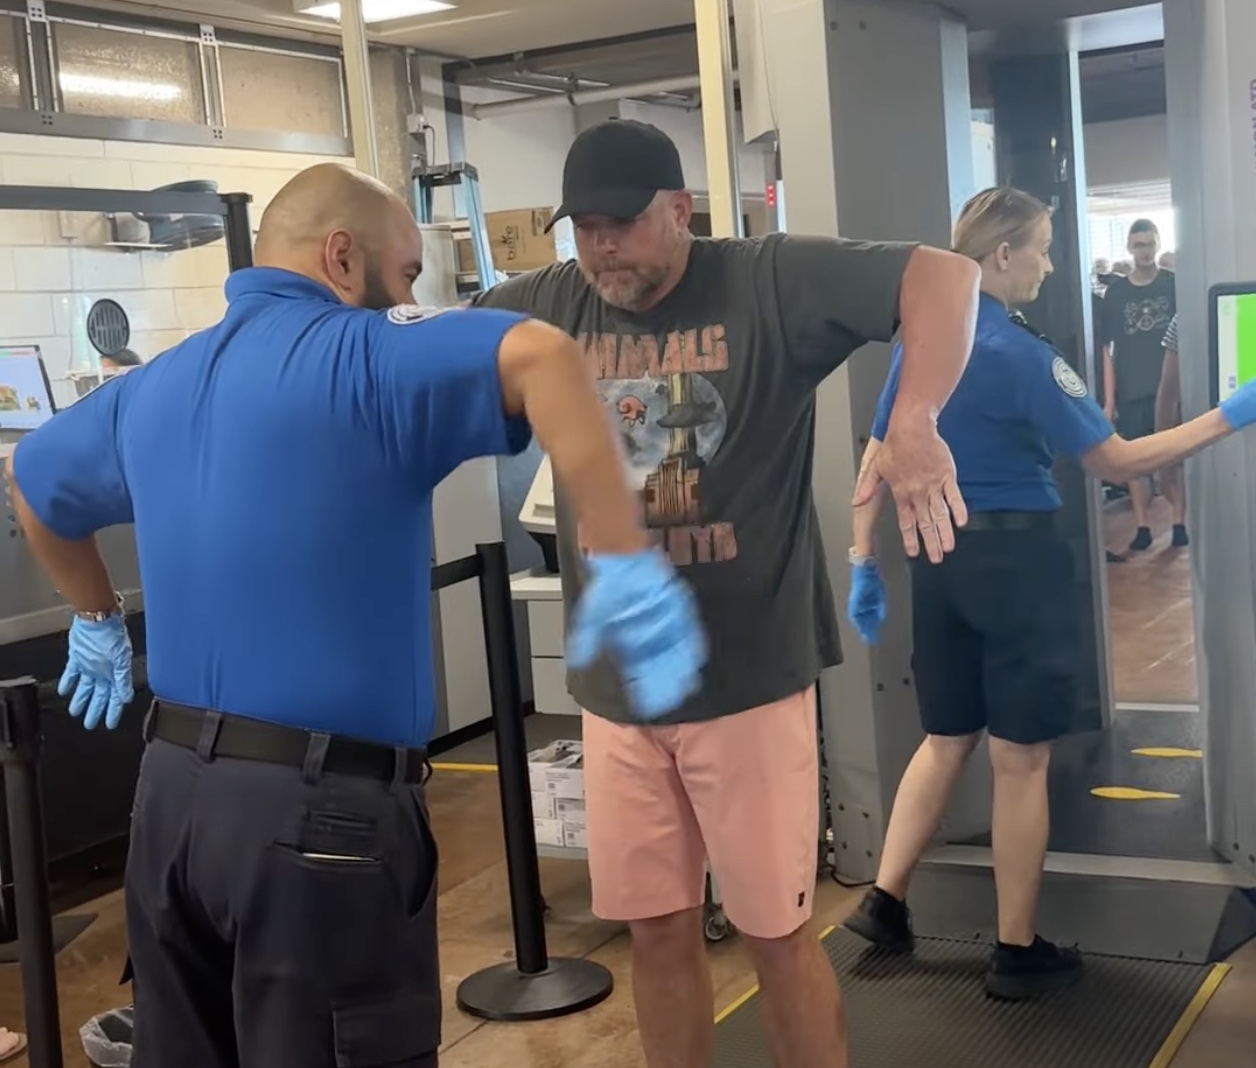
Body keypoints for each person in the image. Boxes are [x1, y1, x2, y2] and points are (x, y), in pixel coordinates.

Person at [4, 163, 706, 1068]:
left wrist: (95, 615)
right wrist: (620, 554)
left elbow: (30, 482)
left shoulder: (155, 384)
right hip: (319, 820)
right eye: (409, 273)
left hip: (172, 804)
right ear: (342, 256)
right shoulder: (364, 353)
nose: (409, 295)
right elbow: (544, 355)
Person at [471, 118, 982, 1068]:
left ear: (680, 210)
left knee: (776, 937)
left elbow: (945, 278)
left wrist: (915, 414)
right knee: (658, 934)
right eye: (583, 228)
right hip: (619, 698)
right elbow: (428, 358)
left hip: (747, 682)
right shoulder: (547, 303)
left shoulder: (765, 280)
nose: (601, 248)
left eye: (620, 224)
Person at [843, 188, 1256, 999]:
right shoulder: (1027, 357)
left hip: (942, 563)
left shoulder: (920, 346)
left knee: (944, 738)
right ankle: (1015, 949)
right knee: (1020, 762)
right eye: (1040, 247)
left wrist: (861, 558)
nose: (1050, 263)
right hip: (1018, 570)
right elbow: (1119, 461)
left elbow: (878, 458)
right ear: (1002, 257)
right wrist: (1232, 414)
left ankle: (884, 903)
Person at [1100, 218, 1178, 552]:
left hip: (1167, 382)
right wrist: (1109, 397)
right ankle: (1142, 524)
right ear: (1130, 247)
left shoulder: (1173, 285)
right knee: (1132, 457)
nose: (1144, 251)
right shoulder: (1116, 292)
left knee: (1174, 453)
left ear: (1157, 244)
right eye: (1138, 245)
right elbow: (1106, 347)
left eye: (1149, 244)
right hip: (1131, 383)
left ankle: (1180, 521)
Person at [1155, 313, 1188, 545]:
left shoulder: (1185, 314)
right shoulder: (1185, 315)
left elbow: (1168, 393)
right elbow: (1168, 393)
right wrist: (1163, 458)